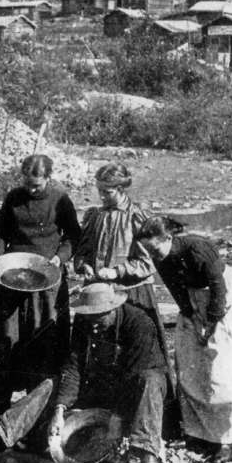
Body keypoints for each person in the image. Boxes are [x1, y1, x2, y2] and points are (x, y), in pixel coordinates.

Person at [0, 283, 168, 463]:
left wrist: (117, 416)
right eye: (90, 317)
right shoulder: (85, 322)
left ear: (113, 309)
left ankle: (148, 458)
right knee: (52, 383)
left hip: (134, 393)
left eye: (99, 318)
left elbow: (136, 372)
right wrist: (60, 409)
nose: (93, 324)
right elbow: (74, 366)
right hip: (100, 387)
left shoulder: (139, 323)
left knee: (150, 380)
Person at [0, 154, 80, 415]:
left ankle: (37, 405)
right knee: (6, 337)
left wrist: (59, 258)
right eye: (27, 183)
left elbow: (73, 236)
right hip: (13, 275)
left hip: (46, 278)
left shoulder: (60, 200)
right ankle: (1, 404)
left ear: (48, 179)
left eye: (36, 186)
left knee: (43, 339)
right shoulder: (14, 198)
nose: (31, 189)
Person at [137, 216, 232, 460]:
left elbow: (218, 289)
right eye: (148, 251)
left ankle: (226, 439)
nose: (153, 255)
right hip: (193, 301)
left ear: (168, 238)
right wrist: (191, 316)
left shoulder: (199, 249)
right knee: (191, 364)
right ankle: (198, 431)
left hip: (224, 300)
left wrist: (210, 323)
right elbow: (176, 289)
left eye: (155, 248)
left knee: (223, 369)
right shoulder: (161, 257)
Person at [72, 163, 176, 416]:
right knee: (95, 353)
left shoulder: (136, 217)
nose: (102, 196)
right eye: (100, 191)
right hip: (97, 295)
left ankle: (144, 412)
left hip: (131, 294)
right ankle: (100, 409)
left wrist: (117, 271)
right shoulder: (94, 215)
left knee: (138, 354)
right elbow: (82, 251)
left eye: (107, 191)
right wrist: (84, 265)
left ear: (120, 189)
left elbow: (148, 262)